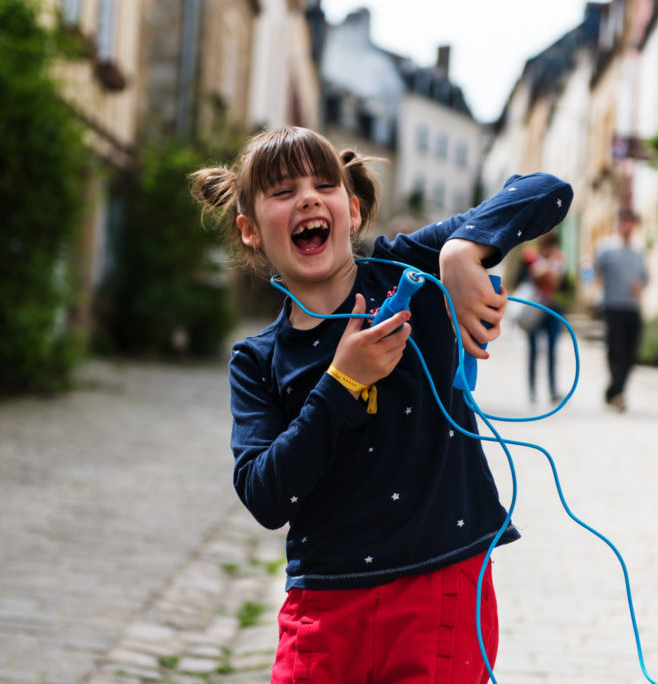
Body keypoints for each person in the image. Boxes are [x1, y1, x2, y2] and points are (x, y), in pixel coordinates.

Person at [190, 126, 571, 683]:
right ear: (249, 231)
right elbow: (266, 497)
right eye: (282, 190)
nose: (307, 198)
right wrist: (342, 383)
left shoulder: (411, 265)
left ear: (355, 208)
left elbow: (548, 189)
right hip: (321, 608)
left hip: (439, 586)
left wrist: (464, 249)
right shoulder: (257, 359)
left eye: (324, 184)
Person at [594, 207, 648, 412]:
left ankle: (614, 391)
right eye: (624, 222)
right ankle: (618, 394)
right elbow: (592, 271)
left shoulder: (639, 251)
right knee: (615, 350)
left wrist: (641, 286)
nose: (628, 226)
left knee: (631, 353)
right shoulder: (606, 248)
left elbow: (646, 277)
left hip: (633, 307)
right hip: (612, 306)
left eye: (631, 222)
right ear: (619, 224)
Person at [524, 232, 566, 403]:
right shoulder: (531, 259)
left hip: (552, 308)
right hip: (535, 307)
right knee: (534, 350)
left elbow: (559, 283)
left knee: (552, 351)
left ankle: (552, 389)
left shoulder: (558, 260)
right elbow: (530, 279)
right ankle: (532, 390)